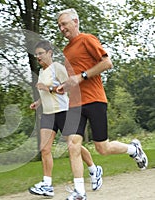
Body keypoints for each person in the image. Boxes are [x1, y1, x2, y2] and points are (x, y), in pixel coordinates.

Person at [56, 8, 148, 200]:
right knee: (73, 144)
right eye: (59, 25)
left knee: (102, 148)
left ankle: (134, 150)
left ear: (75, 22)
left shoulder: (87, 39)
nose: (61, 28)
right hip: (75, 104)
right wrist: (65, 85)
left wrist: (80, 77)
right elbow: (74, 79)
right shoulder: (65, 50)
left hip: (95, 100)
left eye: (64, 23)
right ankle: (80, 191)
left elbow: (107, 63)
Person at [28, 40, 103, 197]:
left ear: (49, 53)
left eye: (40, 53)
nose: (38, 57)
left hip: (64, 112)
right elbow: (46, 93)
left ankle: (94, 169)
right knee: (45, 148)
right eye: (36, 54)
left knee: (74, 146)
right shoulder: (42, 72)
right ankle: (47, 185)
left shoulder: (58, 68)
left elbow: (67, 88)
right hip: (48, 114)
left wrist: (47, 88)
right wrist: (39, 102)